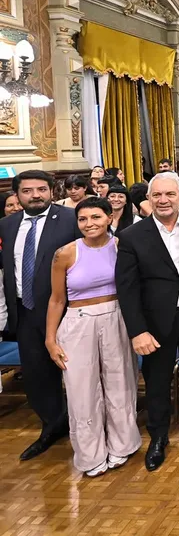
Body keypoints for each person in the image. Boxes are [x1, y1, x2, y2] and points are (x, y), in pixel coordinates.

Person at [43, 196, 140, 476]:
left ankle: (123, 444)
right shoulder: (65, 254)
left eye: (96, 217)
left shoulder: (122, 247)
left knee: (121, 383)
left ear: (110, 217)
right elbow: (56, 300)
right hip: (78, 322)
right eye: (82, 219)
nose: (89, 224)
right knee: (81, 390)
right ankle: (90, 455)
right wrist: (50, 340)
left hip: (117, 317)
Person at [115, 172, 179, 471]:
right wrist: (138, 331)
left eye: (170, 194)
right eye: (157, 195)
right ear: (148, 199)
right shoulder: (131, 236)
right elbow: (127, 288)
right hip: (156, 323)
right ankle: (159, 437)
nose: (163, 200)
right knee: (158, 382)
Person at [0, 171, 77, 460]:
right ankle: (52, 426)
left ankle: (86, 426)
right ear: (17, 195)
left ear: (51, 191)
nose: (35, 195)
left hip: (68, 310)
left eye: (42, 189)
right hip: (25, 311)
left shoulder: (71, 219)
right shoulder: (7, 225)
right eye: (28, 191)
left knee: (77, 370)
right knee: (37, 375)